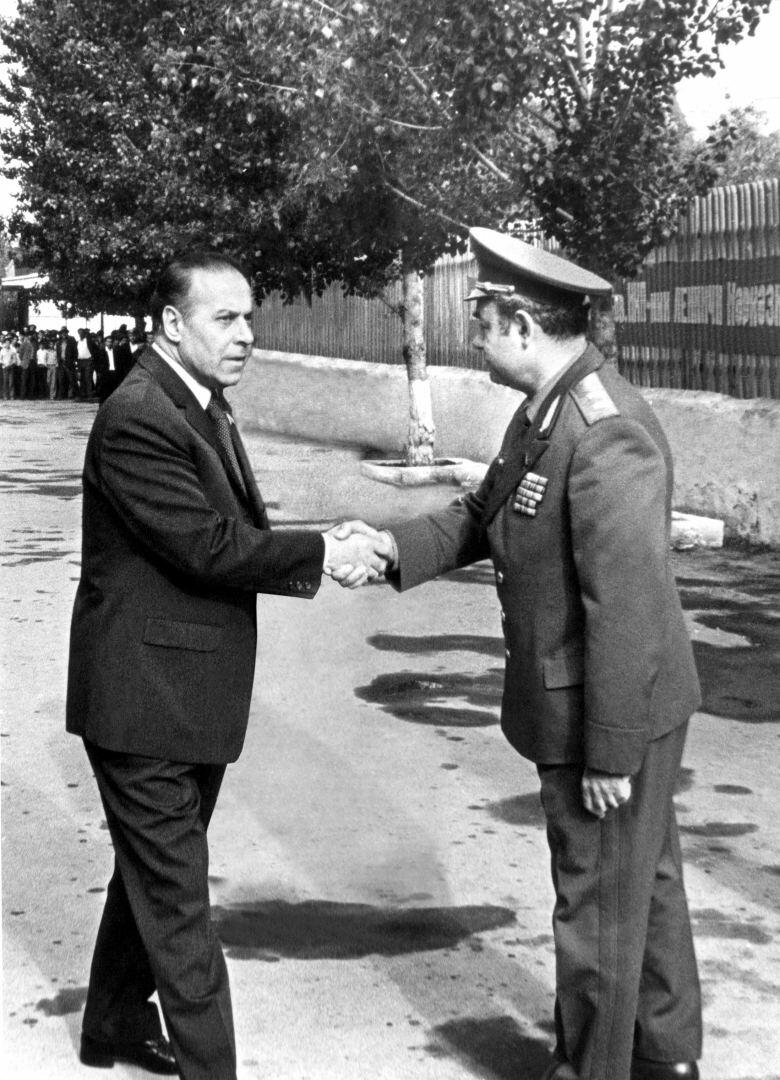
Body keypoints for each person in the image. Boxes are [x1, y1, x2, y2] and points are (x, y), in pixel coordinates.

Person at [335, 228, 703, 1080]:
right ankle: (665, 1058)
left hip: (606, 711)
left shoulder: (603, 432)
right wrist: (389, 548)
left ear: (525, 327)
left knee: (597, 907)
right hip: (607, 700)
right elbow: (481, 513)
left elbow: (627, 609)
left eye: (483, 322)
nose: (474, 338)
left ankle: (591, 1068)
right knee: (644, 883)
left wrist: (609, 751)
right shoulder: (545, 412)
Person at [66, 249, 390, 1080]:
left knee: (152, 874)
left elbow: (232, 534)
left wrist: (321, 542)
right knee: (178, 904)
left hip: (182, 693)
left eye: (250, 317)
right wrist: (325, 552)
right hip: (143, 702)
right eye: (226, 319)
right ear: (172, 324)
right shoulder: (140, 414)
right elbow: (207, 546)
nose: (247, 334)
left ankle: (110, 1023)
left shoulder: (197, 400)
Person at [1, 331, 20, 398]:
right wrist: (4, 364)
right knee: (5, 382)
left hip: (11, 367)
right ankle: (5, 396)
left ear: (10, 343)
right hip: (4, 368)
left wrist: (10, 364)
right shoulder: (2, 351)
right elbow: (0, 359)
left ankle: (12, 396)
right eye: (6, 343)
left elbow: (14, 359)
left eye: (9, 343)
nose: (7, 344)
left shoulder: (12, 350)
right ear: (5, 343)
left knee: (11, 382)